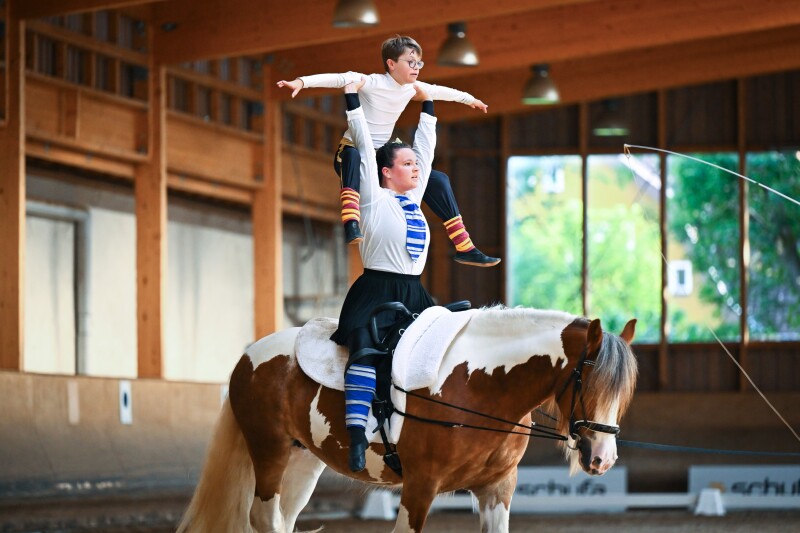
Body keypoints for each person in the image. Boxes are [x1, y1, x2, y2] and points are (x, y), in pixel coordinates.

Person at [277, 35, 500, 267]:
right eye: (410, 62)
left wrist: (470, 99)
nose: (416, 68)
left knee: (438, 179)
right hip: (350, 154)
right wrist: (301, 82)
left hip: (380, 159)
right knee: (354, 154)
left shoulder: (413, 88)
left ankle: (464, 245)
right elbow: (339, 79)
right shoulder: (372, 82)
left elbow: (440, 91)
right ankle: (351, 220)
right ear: (391, 64)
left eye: (419, 63)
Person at [331, 78, 436, 472]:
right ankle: (357, 432)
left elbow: (427, 150)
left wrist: (427, 109)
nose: (416, 168)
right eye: (407, 164)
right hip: (376, 288)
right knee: (365, 352)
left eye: (414, 164)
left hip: (414, 292)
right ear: (387, 172)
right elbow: (360, 139)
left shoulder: (413, 198)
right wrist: (352, 99)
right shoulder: (375, 196)